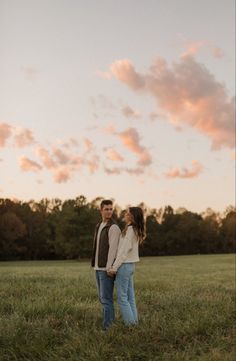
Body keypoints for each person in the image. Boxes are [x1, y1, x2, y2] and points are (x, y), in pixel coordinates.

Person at [107, 207, 145, 326]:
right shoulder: (135, 229)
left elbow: (123, 251)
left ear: (132, 216)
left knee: (122, 298)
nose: (126, 214)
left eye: (128, 212)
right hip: (130, 266)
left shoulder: (130, 230)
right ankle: (134, 323)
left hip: (124, 266)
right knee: (130, 297)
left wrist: (114, 267)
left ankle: (131, 325)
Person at [91, 199, 121, 330]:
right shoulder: (99, 225)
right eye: (106, 209)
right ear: (101, 210)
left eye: (111, 209)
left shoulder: (113, 227)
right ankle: (108, 322)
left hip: (106, 269)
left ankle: (108, 327)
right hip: (98, 267)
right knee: (102, 298)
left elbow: (113, 250)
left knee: (106, 299)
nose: (109, 211)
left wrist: (109, 268)